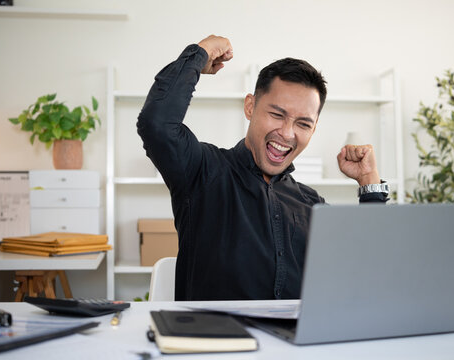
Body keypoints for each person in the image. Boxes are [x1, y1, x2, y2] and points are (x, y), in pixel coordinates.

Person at [137, 35, 388, 301]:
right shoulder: (203, 170)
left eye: (303, 124)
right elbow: (157, 125)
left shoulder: (311, 204)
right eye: (277, 115)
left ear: (313, 129)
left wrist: (368, 181)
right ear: (250, 107)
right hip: (217, 339)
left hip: (295, 342)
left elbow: (363, 269)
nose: (287, 133)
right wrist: (200, 54)